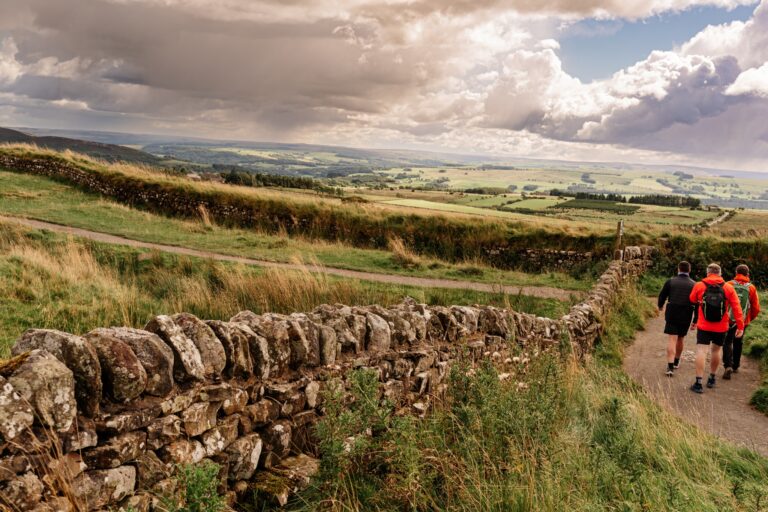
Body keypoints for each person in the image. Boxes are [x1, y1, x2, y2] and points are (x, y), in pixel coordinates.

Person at [688, 263, 744, 394]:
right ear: (720, 274)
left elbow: (692, 299)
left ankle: (698, 383)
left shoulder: (699, 285)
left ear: (707, 273)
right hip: (721, 326)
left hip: (703, 325)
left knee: (702, 351)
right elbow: (737, 307)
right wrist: (740, 326)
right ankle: (712, 378)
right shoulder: (728, 288)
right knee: (716, 351)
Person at [657, 261, 696, 376]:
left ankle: (669, 368)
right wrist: (695, 320)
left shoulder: (671, 281)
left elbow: (662, 295)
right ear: (689, 270)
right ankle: (676, 361)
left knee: (672, 339)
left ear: (678, 269)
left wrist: (660, 306)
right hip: (687, 312)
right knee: (680, 338)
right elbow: (698, 302)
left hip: (672, 311)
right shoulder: (694, 284)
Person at [722, 264, 760, 380]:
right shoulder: (751, 288)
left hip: (728, 319)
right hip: (743, 320)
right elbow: (756, 308)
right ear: (747, 274)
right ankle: (735, 365)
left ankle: (727, 365)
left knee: (727, 341)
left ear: (736, 273)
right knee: (738, 341)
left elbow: (723, 302)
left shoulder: (728, 284)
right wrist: (747, 319)